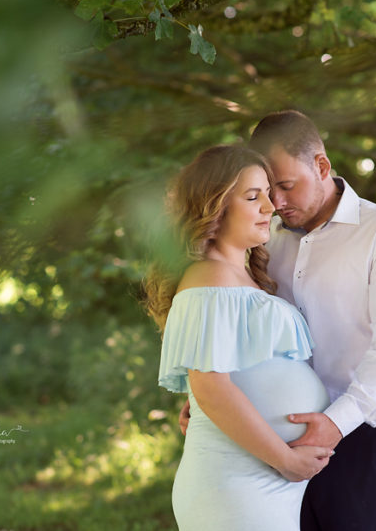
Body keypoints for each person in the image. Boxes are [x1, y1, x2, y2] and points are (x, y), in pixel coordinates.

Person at [248, 110, 376, 530]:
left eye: (287, 186)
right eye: (267, 190)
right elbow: (245, 331)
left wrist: (336, 423)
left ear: (322, 166)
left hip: (360, 435)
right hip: (274, 437)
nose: (277, 202)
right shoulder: (264, 240)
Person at [145, 144, 334, 531]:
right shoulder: (209, 277)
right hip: (236, 484)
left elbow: (229, 368)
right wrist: (284, 458)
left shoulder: (241, 277)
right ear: (214, 208)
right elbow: (211, 387)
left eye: (268, 193)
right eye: (253, 196)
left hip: (259, 482)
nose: (270, 206)